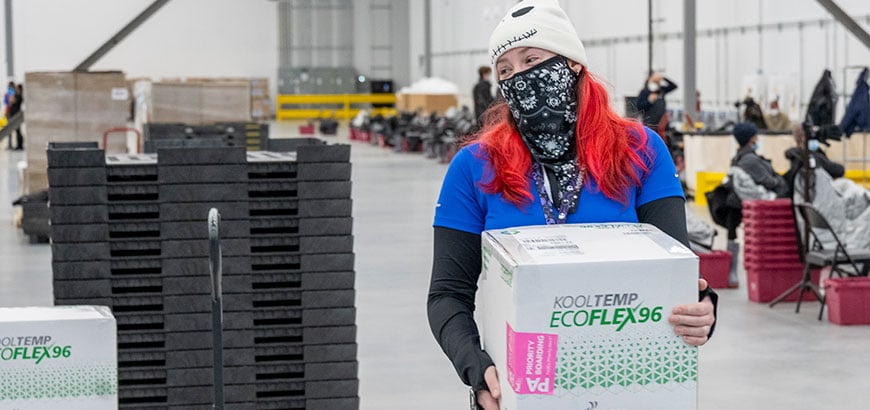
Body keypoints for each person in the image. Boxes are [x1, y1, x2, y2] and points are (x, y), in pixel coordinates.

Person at [427, 1, 717, 408]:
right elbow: (447, 295)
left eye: (532, 59)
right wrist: (477, 369)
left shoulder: (640, 150)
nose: (519, 77)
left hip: (626, 381)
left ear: (572, 64)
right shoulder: (474, 167)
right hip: (523, 385)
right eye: (506, 70)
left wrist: (703, 308)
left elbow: (675, 271)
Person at [8, 84, 24, 150]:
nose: (15, 89)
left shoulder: (19, 96)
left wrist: (11, 95)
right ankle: (18, 145)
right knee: (17, 132)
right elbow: (10, 102)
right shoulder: (16, 95)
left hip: (16, 116)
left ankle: (20, 145)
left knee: (18, 132)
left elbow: (12, 101)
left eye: (17, 88)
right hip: (13, 115)